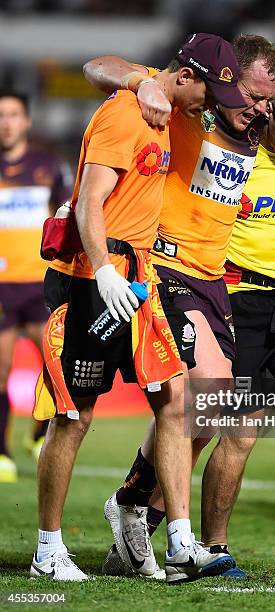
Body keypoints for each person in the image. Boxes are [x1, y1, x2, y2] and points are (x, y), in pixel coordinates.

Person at [83, 35, 275, 578]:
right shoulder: (189, 107)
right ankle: (164, 527)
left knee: (212, 413)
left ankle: (140, 516)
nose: (263, 110)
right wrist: (140, 81)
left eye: (269, 102)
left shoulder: (262, 125)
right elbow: (98, 64)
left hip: (225, 285)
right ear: (226, 79)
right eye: (257, 97)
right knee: (205, 410)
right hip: (172, 271)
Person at [30, 33, 245, 583]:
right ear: (188, 75)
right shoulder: (127, 114)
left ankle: (179, 540)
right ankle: (48, 549)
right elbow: (91, 202)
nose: (211, 112)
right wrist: (102, 270)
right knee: (73, 418)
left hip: (140, 280)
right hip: (87, 281)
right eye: (209, 97)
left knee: (173, 402)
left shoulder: (173, 111)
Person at [0, 90, 73, 482]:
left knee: (54, 361)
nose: (6, 122)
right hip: (1, 287)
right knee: (1, 368)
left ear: (26, 121)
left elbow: (65, 218)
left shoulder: (49, 166)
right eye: (1, 115)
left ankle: (40, 429)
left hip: (39, 283)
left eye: (13, 114)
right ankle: (2, 453)